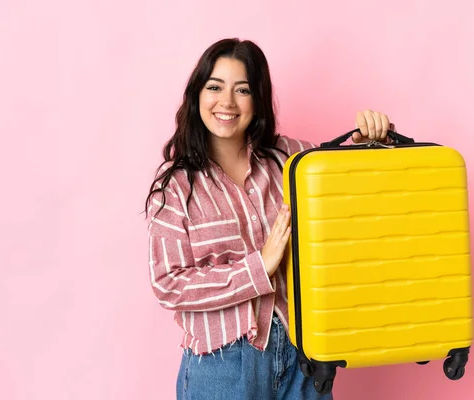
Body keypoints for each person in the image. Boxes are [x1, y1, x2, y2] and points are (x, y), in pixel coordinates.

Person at [144, 38, 395, 400]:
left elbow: (349, 189)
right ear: (197, 93)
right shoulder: (177, 185)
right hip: (222, 366)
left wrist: (372, 142)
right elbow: (168, 282)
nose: (226, 102)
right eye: (215, 86)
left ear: (257, 100)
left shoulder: (290, 159)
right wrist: (258, 267)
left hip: (303, 357)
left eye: (242, 90)